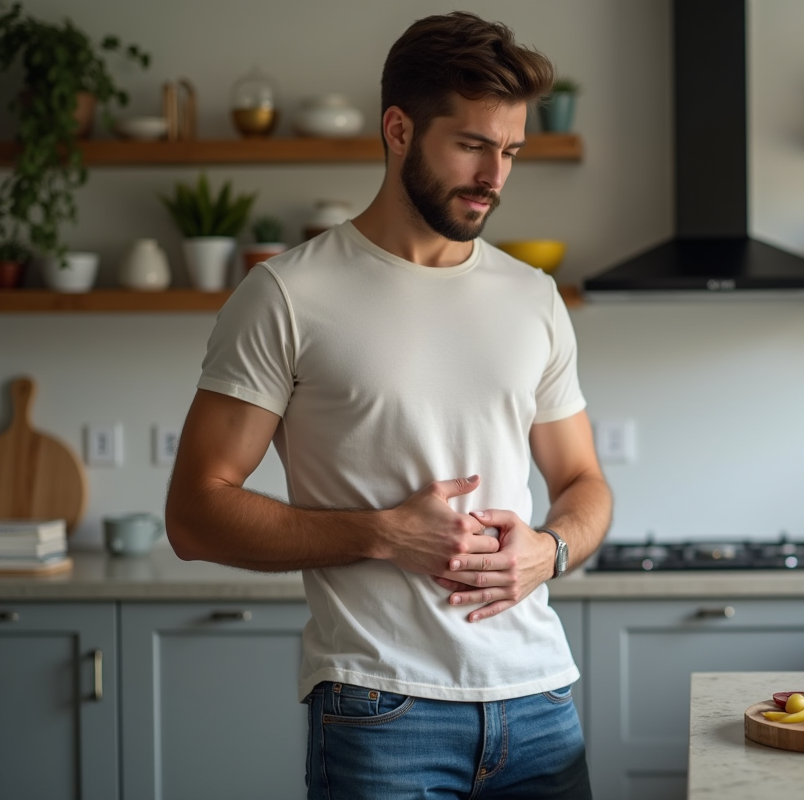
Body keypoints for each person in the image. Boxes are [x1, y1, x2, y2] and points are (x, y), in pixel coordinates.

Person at [164, 11, 611, 799]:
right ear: (398, 129)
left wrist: (551, 550)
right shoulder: (287, 296)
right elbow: (194, 515)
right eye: (472, 145)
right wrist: (380, 534)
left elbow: (584, 483)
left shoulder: (533, 298)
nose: (494, 176)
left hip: (539, 702)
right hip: (381, 711)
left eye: (510, 151)